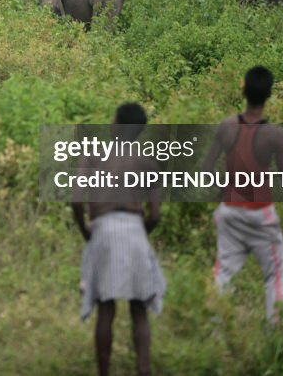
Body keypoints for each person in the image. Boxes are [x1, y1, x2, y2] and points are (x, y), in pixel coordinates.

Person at [200, 66, 283, 326]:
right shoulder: (274, 135)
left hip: (229, 211)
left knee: (224, 273)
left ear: (243, 90)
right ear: (269, 94)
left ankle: (216, 331)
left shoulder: (227, 127)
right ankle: (277, 334)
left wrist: (222, 190)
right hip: (261, 215)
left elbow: (205, 169)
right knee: (274, 274)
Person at [71, 103, 165, 376]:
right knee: (139, 309)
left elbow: (77, 201)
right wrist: (140, 235)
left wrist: (86, 232)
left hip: (103, 228)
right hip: (135, 228)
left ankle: (104, 372)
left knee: (106, 307)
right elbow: (156, 215)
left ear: (116, 125)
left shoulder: (94, 155)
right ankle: (143, 370)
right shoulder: (147, 162)